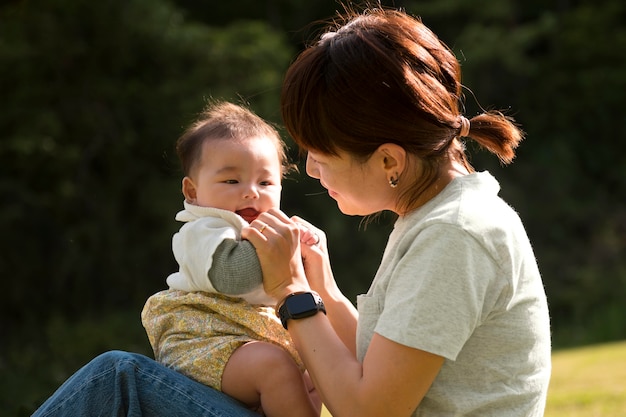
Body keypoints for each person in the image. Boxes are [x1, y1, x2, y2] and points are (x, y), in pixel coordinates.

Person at [32, 6, 551, 417]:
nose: (309, 169)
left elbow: (371, 410)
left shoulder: (455, 236)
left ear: (389, 160)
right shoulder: (435, 219)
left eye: (320, 154)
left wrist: (292, 293)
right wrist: (322, 290)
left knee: (119, 380)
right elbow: (380, 366)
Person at [140, 100, 321, 417]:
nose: (251, 192)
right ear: (192, 191)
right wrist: (284, 248)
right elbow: (233, 276)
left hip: (252, 344)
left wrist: (307, 251)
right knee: (274, 367)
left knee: (325, 373)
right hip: (206, 343)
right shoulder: (204, 228)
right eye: (231, 181)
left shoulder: (265, 230)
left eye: (265, 182)